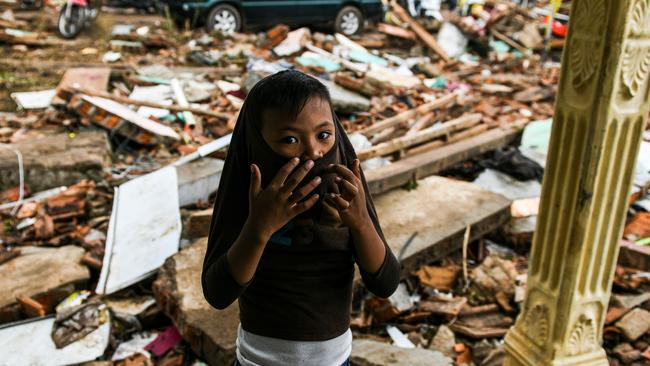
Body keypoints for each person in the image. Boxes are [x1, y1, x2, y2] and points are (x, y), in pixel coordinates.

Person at [202, 70, 400, 366]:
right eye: (290, 139)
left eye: (323, 135)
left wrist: (360, 223)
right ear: (258, 142)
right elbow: (218, 293)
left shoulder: (344, 189)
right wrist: (259, 229)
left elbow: (385, 282)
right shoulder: (252, 196)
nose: (313, 152)